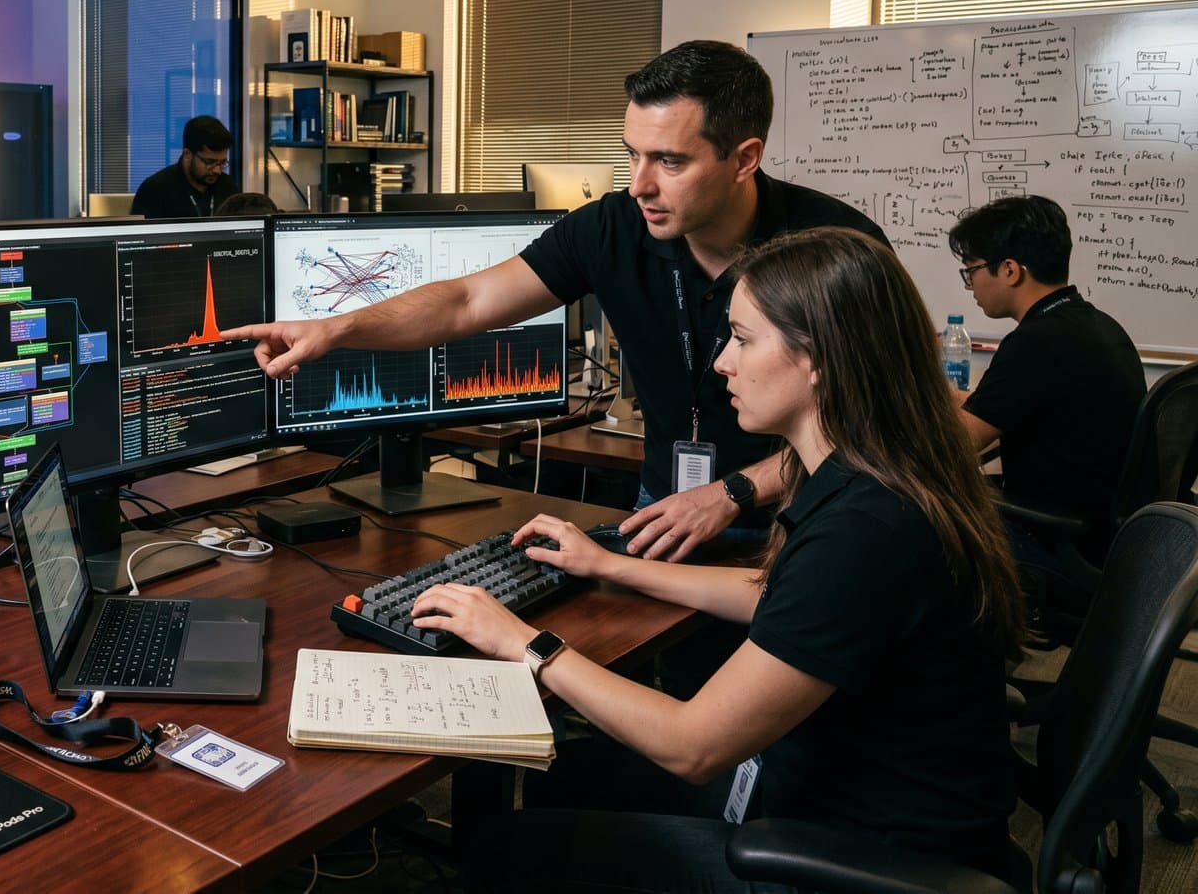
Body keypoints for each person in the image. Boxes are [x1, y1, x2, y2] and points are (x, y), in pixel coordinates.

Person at [415, 227, 1028, 891]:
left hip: (857, 858)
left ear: (817, 358)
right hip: (840, 793)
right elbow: (781, 596)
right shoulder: (875, 474)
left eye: (742, 338)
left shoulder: (866, 529)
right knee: (574, 774)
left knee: (504, 848)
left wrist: (524, 643)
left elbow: (693, 745)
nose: (722, 364)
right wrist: (609, 564)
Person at [226, 41, 887, 562]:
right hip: (664, 508)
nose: (639, 185)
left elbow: (878, 425)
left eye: (669, 162)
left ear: (744, 159)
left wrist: (734, 492)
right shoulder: (612, 228)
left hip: (801, 515)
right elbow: (466, 300)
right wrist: (337, 327)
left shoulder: (835, 247)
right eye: (631, 155)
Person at [947, 195, 1145, 593]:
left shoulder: (1035, 343)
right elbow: (988, 408)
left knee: (922, 522)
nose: (970, 286)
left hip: (1058, 544)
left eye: (972, 271)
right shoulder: (1096, 326)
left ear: (1009, 270)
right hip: (1108, 539)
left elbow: (951, 445)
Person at [130, 115, 238, 219]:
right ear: (187, 155)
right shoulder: (155, 189)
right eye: (210, 162)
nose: (217, 170)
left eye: (222, 163)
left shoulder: (227, 186)